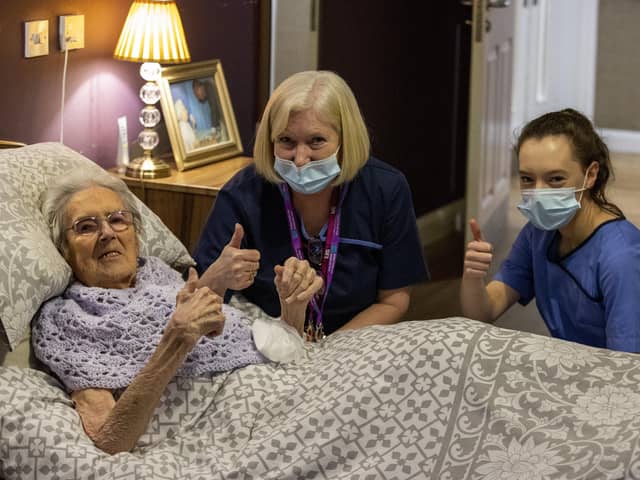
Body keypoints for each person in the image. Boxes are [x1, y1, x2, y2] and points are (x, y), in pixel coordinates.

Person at [31, 172, 322, 454]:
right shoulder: (65, 321)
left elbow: (237, 346)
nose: (107, 233)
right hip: (254, 429)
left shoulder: (158, 274)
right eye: (86, 227)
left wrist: (293, 306)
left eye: (117, 220)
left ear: (136, 234)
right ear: (64, 250)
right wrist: (177, 340)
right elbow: (110, 439)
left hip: (293, 386)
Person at [193, 70, 429, 340]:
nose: (300, 159)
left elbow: (394, 302)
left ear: (345, 138)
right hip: (266, 338)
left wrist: (327, 354)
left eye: (316, 141)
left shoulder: (386, 189)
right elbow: (198, 301)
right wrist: (218, 277)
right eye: (286, 141)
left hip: (358, 340)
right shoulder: (242, 194)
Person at [461, 108, 640, 352]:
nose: (540, 192)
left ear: (591, 175)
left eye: (556, 179)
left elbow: (628, 366)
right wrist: (473, 276)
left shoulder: (621, 256)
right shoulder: (538, 235)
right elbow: (484, 312)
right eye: (527, 179)